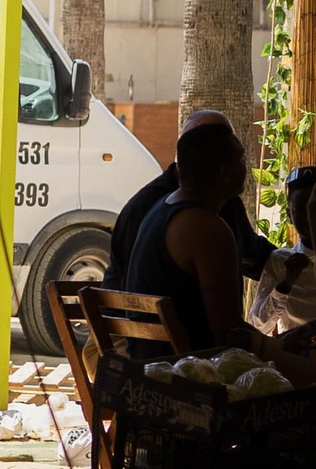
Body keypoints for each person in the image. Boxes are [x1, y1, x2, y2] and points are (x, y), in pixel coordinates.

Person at [124, 123, 256, 360]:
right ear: (225, 172)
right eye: (242, 160)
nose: (247, 167)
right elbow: (229, 334)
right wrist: (281, 348)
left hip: (147, 367)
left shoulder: (163, 207)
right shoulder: (206, 228)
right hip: (185, 378)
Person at [105, 109, 275, 290]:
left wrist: (296, 262)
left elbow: (252, 255)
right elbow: (131, 291)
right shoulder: (147, 208)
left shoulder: (223, 201)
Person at [249, 166, 316, 334]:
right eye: (300, 210)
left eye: (313, 209)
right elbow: (257, 327)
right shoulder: (281, 262)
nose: (309, 217)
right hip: (300, 357)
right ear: (289, 216)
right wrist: (285, 285)